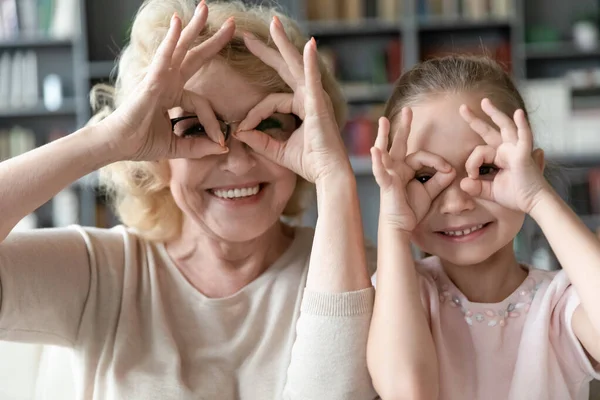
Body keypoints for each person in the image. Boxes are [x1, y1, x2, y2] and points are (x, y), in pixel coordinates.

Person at [0, 1, 378, 399]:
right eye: (196, 128)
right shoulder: (100, 273)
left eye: (267, 123)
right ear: (153, 154)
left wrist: (335, 179)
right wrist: (108, 140)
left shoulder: (369, 273)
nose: (235, 161)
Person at [366, 55, 600, 400]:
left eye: (486, 168)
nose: (458, 202)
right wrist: (394, 225)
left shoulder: (561, 303)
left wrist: (537, 196)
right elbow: (407, 391)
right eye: (425, 177)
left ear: (532, 168)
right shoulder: (399, 293)